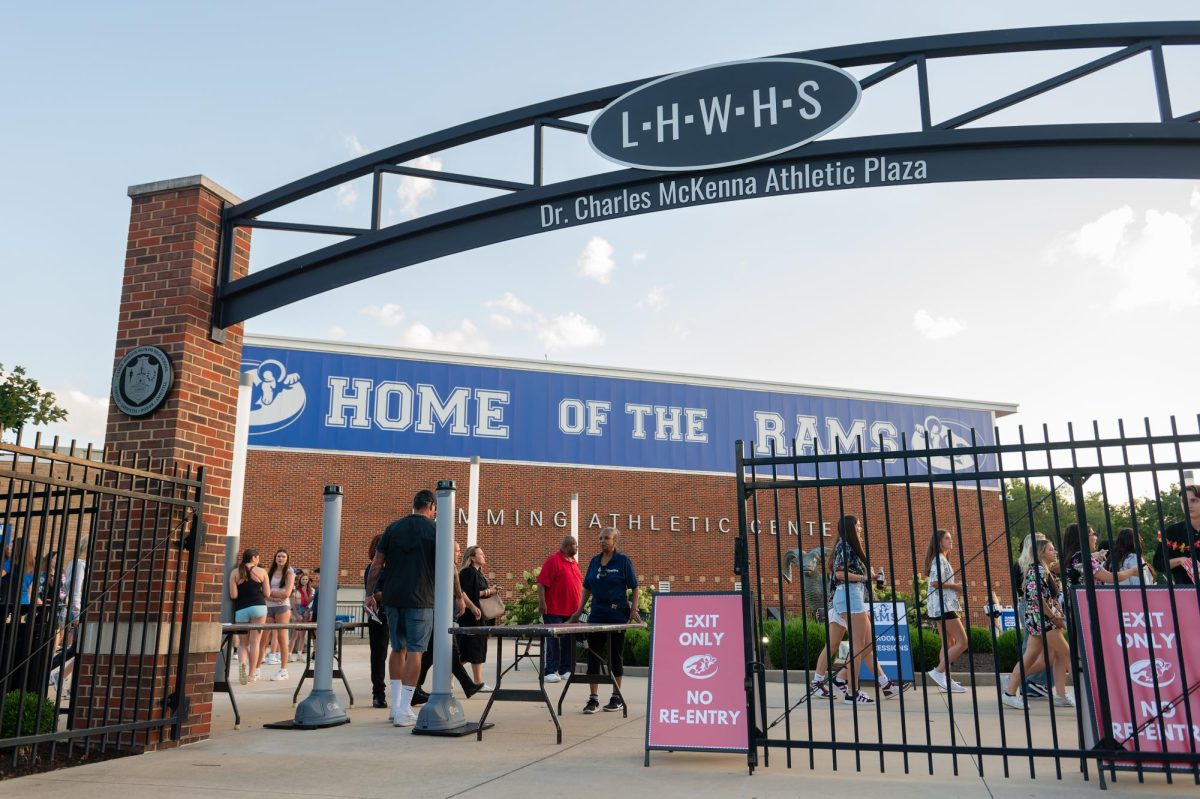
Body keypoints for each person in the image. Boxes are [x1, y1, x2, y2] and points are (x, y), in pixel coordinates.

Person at [364, 489, 463, 728]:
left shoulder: (393, 528)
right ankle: (404, 710)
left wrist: (369, 594)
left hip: (392, 597)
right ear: (430, 506)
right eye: (435, 509)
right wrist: (458, 597)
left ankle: (395, 706)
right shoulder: (437, 530)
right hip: (421, 598)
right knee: (416, 651)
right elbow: (449, 567)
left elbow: (377, 564)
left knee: (398, 649)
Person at [568, 527, 641, 714]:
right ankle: (593, 699)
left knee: (615, 656)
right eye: (600, 538)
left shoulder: (623, 561)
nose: (602, 541)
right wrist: (578, 611)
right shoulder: (594, 561)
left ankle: (616, 697)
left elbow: (635, 587)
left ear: (615, 541)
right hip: (597, 615)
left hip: (617, 616)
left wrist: (633, 610)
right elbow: (587, 588)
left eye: (606, 538)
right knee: (594, 655)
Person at [1001, 536, 1074, 709]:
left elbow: (1048, 597)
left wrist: (1058, 612)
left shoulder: (1044, 570)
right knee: (1067, 653)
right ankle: (1082, 695)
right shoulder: (1037, 571)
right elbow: (1037, 598)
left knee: (1034, 657)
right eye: (1050, 549)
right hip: (1042, 621)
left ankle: (1010, 690)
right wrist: (1053, 617)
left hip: (1042, 620)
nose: (1054, 552)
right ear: (1041, 553)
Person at [828, 515, 879, 705]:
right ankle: (852, 691)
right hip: (848, 595)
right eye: (858, 525)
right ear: (851, 527)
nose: (860, 528)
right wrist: (864, 578)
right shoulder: (844, 545)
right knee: (858, 645)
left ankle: (841, 677)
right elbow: (840, 573)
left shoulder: (850, 547)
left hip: (854, 595)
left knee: (867, 644)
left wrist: (868, 577)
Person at [925, 529, 967, 693]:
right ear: (939, 542)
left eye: (951, 538)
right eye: (947, 539)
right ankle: (938, 672)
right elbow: (935, 583)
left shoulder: (941, 559)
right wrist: (955, 586)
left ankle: (945, 680)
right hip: (944, 606)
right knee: (963, 642)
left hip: (941, 606)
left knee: (949, 644)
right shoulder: (939, 560)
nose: (951, 541)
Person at [537, 535, 582, 683]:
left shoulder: (573, 562)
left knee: (569, 641)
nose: (576, 548)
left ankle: (565, 670)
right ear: (567, 546)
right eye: (575, 545)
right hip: (554, 609)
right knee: (553, 642)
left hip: (571, 611)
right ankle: (550, 671)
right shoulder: (553, 561)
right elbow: (542, 583)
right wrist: (542, 603)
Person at [458, 545, 498, 689]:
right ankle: (477, 682)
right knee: (471, 649)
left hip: (479, 616)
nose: (483, 556)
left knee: (474, 650)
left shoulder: (478, 573)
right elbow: (466, 593)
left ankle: (476, 681)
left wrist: (489, 590)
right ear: (472, 558)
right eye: (480, 554)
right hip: (471, 616)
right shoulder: (468, 572)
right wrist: (489, 591)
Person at [229, 548, 269, 685]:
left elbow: (233, 595)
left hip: (241, 609)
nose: (259, 560)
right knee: (255, 642)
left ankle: (242, 668)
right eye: (258, 557)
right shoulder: (262, 572)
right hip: (259, 608)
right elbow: (267, 593)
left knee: (243, 644)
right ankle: (252, 675)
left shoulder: (234, 572)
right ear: (254, 558)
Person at [1153, 473, 1200, 584]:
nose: (1188, 505)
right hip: (1184, 593)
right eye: (1184, 501)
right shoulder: (1172, 531)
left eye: (1193, 500)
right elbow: (1158, 564)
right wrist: (1181, 560)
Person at [264, 548, 296, 680]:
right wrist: (273, 596)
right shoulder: (268, 572)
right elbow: (263, 591)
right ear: (275, 558)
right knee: (263, 638)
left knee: (282, 637)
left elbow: (287, 593)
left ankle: (283, 670)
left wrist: (271, 592)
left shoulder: (289, 573)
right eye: (278, 556)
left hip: (282, 607)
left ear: (287, 558)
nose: (281, 558)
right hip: (268, 605)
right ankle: (256, 669)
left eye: (283, 556)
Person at [365, 535, 389, 709]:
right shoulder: (373, 568)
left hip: (394, 612)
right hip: (379, 616)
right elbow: (376, 593)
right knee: (379, 655)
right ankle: (378, 693)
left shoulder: (393, 568)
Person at [289, 570, 314, 660]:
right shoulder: (295, 589)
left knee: (303, 635)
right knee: (294, 634)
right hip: (297, 610)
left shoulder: (310, 590)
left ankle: (299, 655)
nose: (304, 581)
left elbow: (308, 602)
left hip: (305, 611)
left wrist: (305, 592)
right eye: (303, 579)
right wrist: (295, 614)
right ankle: (289, 654)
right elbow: (292, 603)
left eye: (306, 579)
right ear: (300, 580)